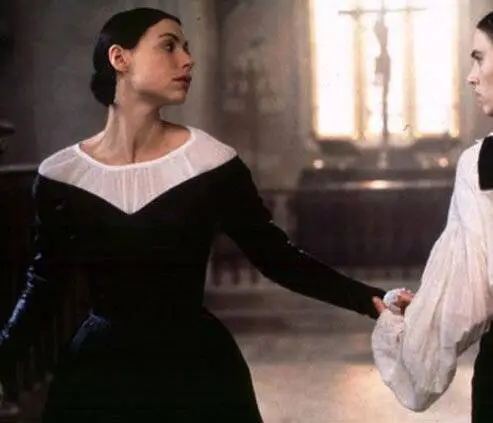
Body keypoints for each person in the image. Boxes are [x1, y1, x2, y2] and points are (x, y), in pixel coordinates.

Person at [0, 8, 393, 422]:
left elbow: (277, 257)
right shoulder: (62, 175)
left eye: (187, 48)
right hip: (99, 374)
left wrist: (370, 299)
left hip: (198, 371)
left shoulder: (210, 161)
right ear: (119, 58)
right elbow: (44, 287)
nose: (187, 60)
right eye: (169, 46)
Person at [371, 10, 493, 422]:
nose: (471, 77)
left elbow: (468, 301)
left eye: (480, 58)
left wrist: (415, 319)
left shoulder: (481, 163)